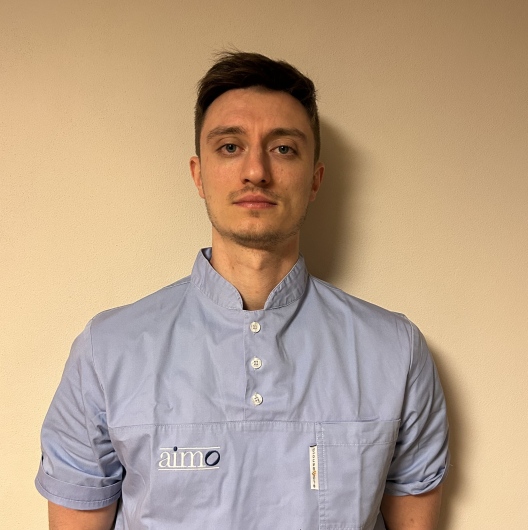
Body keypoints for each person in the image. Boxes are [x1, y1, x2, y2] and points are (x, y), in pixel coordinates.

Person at [36, 51, 449, 530]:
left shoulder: (394, 352)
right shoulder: (107, 352)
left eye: (284, 148)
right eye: (230, 146)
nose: (256, 171)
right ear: (198, 175)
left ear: (315, 180)